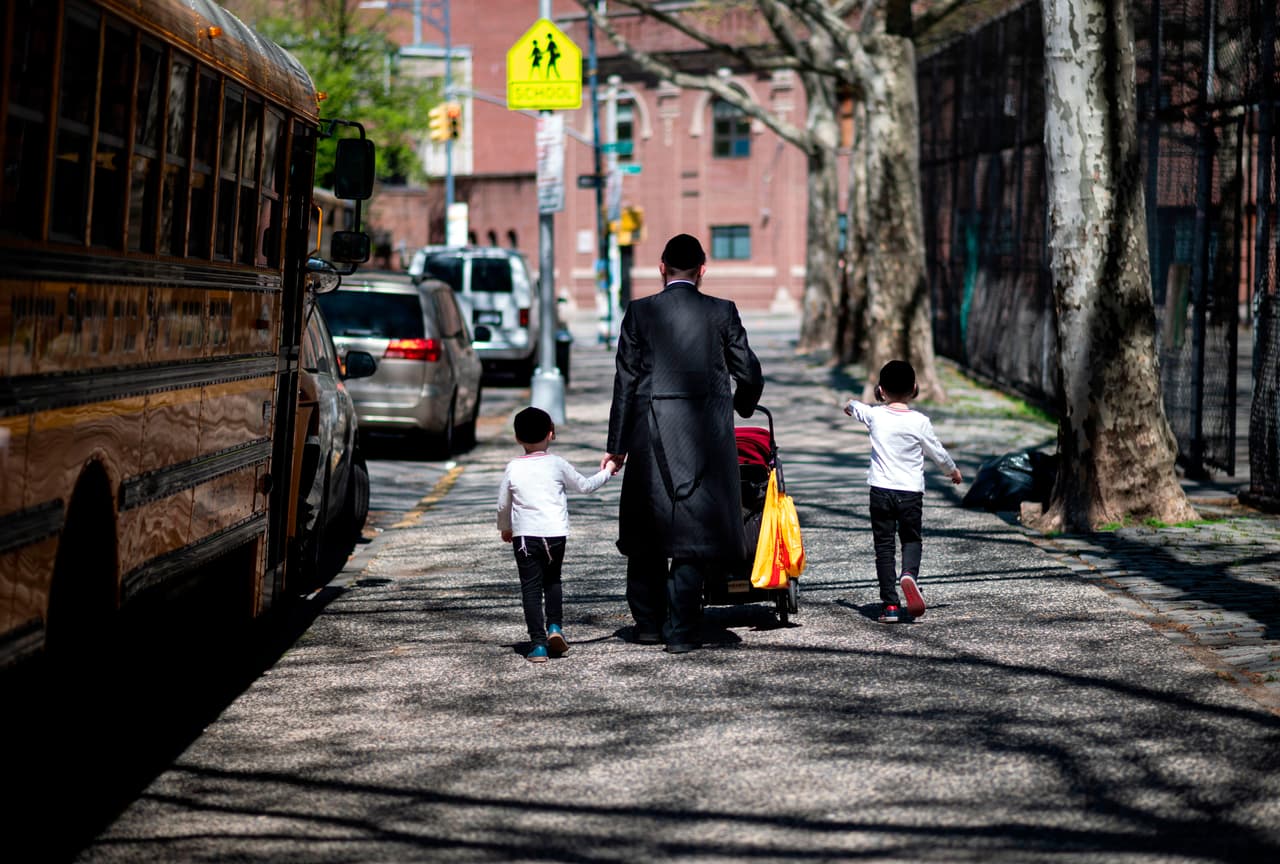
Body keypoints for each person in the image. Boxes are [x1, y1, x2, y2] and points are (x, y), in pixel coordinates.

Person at [602, 233, 764, 654]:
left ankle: (649, 625)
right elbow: (748, 372)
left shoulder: (639, 313)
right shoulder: (722, 312)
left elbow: (626, 383)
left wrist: (617, 445)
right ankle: (680, 630)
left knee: (647, 534)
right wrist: (743, 408)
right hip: (706, 438)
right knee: (692, 539)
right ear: (702, 270)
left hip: (650, 435)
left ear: (661, 267)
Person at [843, 360, 962, 623]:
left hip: (880, 491)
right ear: (914, 389)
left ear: (881, 391)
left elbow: (855, 405)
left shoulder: (875, 415)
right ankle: (909, 575)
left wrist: (850, 406)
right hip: (910, 493)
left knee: (884, 547)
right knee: (910, 539)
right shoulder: (920, 421)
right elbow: (937, 452)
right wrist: (952, 472)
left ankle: (890, 607)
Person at [498, 407, 614, 663]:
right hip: (555, 535)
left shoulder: (513, 467)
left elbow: (503, 504)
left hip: (525, 537)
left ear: (517, 438)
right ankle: (554, 628)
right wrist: (609, 471)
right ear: (551, 434)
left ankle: (538, 645)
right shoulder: (557, 464)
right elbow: (585, 486)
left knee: (530, 589)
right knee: (553, 581)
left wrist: (506, 528)